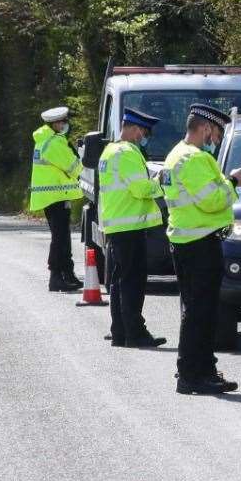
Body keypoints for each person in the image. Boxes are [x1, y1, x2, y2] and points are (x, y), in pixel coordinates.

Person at [163, 104, 241, 394]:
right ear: (204, 128)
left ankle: (201, 369)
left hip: (187, 241)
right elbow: (212, 201)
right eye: (216, 131)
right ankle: (193, 374)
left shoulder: (176, 154)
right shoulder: (193, 159)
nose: (217, 137)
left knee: (197, 310)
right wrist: (234, 181)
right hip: (199, 243)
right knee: (201, 312)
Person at [98, 107, 167, 349]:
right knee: (132, 283)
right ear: (136, 129)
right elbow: (141, 189)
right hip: (129, 226)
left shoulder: (110, 151)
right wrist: (161, 183)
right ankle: (135, 333)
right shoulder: (127, 153)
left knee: (120, 281)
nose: (144, 137)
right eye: (144, 132)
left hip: (119, 224)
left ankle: (120, 332)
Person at [29, 106, 84, 291]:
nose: (65, 125)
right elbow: (74, 167)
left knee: (62, 236)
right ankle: (55, 276)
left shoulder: (44, 140)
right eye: (63, 122)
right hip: (56, 196)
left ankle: (67, 273)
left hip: (52, 196)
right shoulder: (54, 143)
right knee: (60, 237)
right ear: (55, 124)